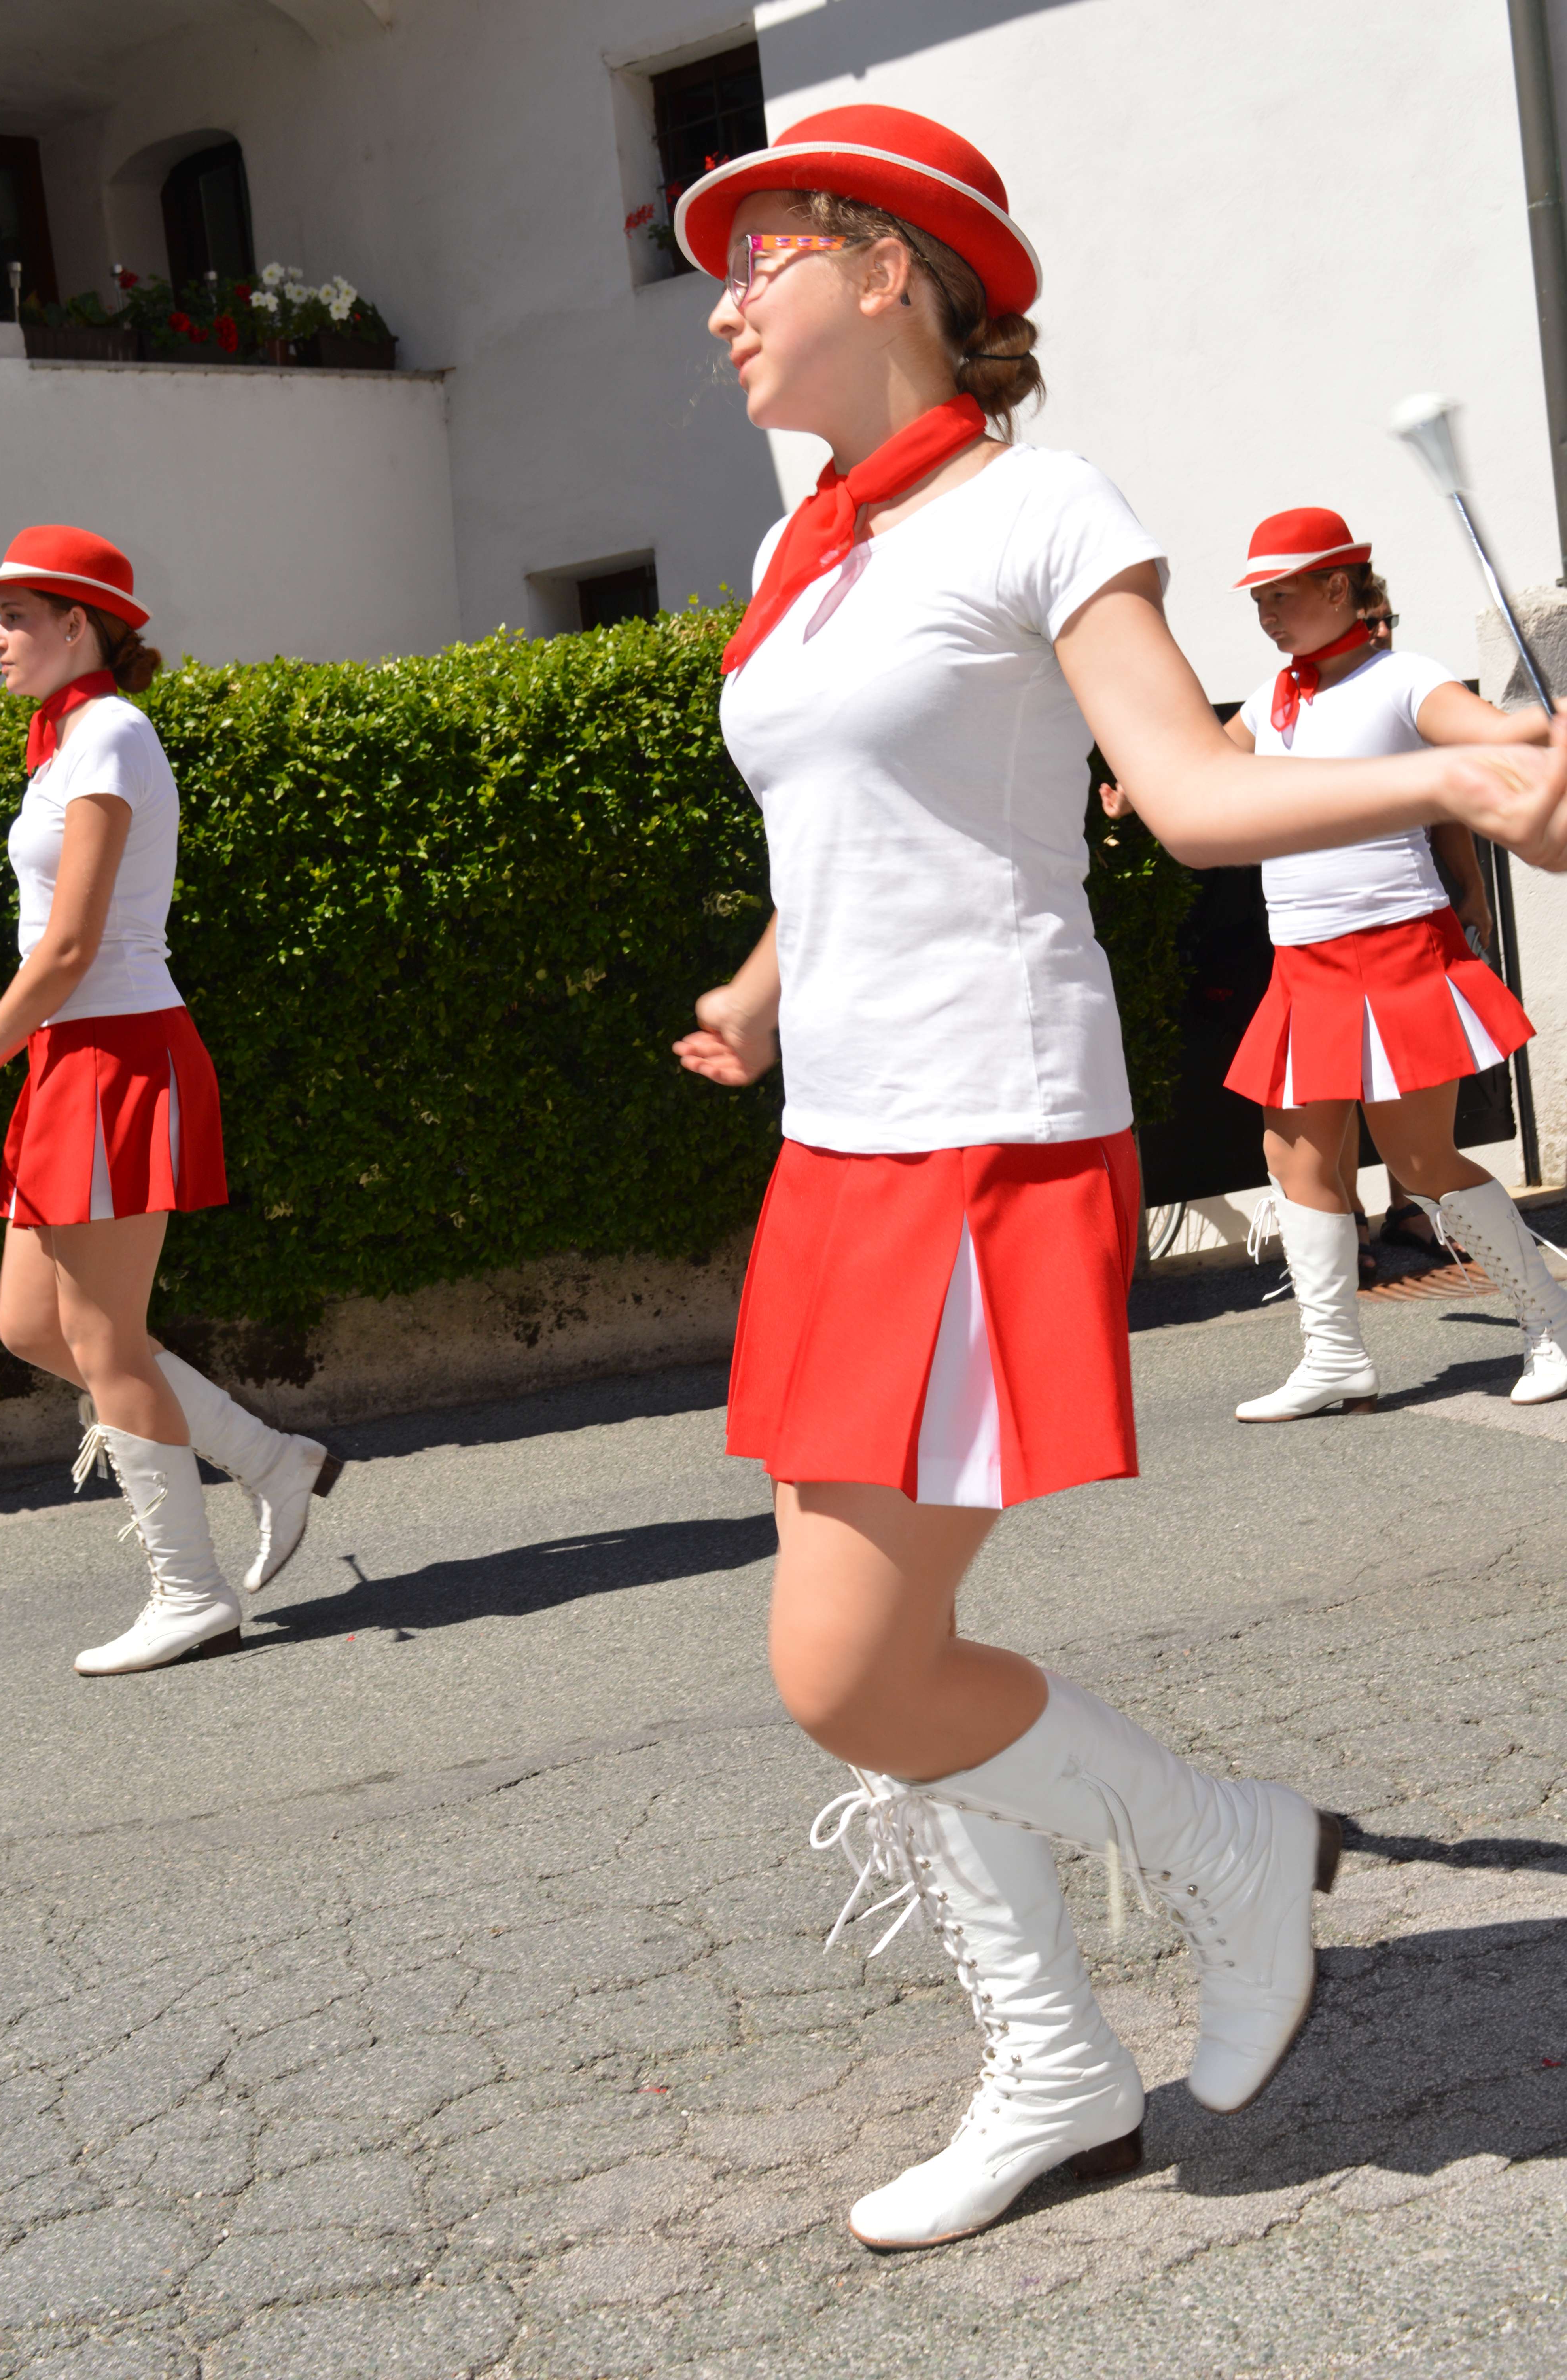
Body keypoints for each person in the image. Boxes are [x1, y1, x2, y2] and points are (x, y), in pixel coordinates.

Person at [666, 106, 1567, 2250]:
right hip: (841, 1134)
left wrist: (1449, 778)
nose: (721, 306)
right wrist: (764, 992)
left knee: (848, 1667)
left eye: (759, 257)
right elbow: (860, 823)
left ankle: (1225, 1844)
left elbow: (1179, 791)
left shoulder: (1034, 504)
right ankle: (1054, 2056)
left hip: (982, 1122)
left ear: (891, 268)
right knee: (884, 1644)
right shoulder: (814, 555)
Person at [0, 526, 341, 1677]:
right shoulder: (66, 742)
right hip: (73, 1052)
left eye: (16, 618)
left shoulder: (110, 734)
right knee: (34, 1326)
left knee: (102, 1336)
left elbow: (73, 944)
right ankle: (271, 1459)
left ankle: (190, 1594)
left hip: (117, 1049)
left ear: (77, 623)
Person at [1219, 511, 1567, 1419]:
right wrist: (1130, 785)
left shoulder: (1403, 678)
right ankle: (1334, 1357)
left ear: (1337, 586)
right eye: (1257, 599)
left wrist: (1542, 728)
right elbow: (1204, 770)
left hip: (1394, 949)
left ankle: (1550, 1321)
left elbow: (1490, 732)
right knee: (1290, 1155)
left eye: (1280, 594)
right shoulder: (1270, 697)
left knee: (1418, 1157)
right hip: (1300, 960)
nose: (1265, 613)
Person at [1346, 574, 1494, 1273]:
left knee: (1415, 1070)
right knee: (1336, 1082)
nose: (1380, 631)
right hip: (1325, 923)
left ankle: (1410, 1209)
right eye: (1368, 619)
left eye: (1387, 619)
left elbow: (1447, 810)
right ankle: (1346, 1225)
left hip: (1410, 913)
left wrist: (1474, 891)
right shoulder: (1297, 703)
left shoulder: (1412, 691)